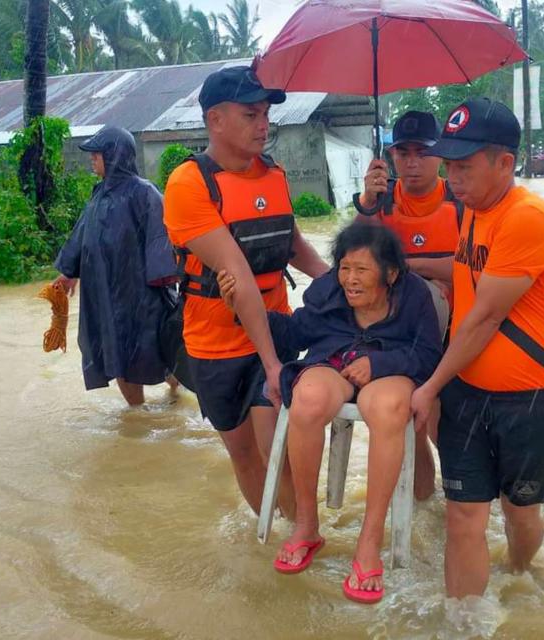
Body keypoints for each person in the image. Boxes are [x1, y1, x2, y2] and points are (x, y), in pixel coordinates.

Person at [218, 223, 441, 604]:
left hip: (392, 370)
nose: (350, 280)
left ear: (390, 273)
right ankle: (307, 525)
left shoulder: (416, 296)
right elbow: (293, 334)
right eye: (345, 268)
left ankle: (368, 544)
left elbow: (428, 354)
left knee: (387, 408)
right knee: (306, 398)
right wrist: (240, 304)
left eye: (362, 270)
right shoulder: (328, 292)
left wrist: (381, 362)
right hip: (333, 361)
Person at [410, 98, 544, 599]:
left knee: (518, 512)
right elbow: (463, 275)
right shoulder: (475, 213)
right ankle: (463, 626)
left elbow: (483, 318)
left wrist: (430, 386)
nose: (452, 176)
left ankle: (519, 575)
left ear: (505, 162)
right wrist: (398, 263)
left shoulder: (526, 217)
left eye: (464, 165)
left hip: (528, 402)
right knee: (463, 515)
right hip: (467, 392)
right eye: (450, 165)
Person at [162, 66, 329, 517]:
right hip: (214, 346)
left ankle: (301, 531)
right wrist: (273, 363)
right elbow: (234, 268)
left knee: (281, 446)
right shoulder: (188, 184)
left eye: (266, 115)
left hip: (274, 332)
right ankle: (269, 536)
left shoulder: (273, 175)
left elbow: (293, 246)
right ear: (215, 120)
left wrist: (344, 286)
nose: (264, 125)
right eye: (251, 114)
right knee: (244, 454)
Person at [356, 110, 462, 500]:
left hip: (456, 335)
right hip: (398, 336)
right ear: (392, 156)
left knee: (445, 430)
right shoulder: (380, 203)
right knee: (412, 431)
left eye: (423, 152)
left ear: (441, 155)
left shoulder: (462, 200)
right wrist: (367, 200)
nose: (413, 162)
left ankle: (460, 503)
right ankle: (423, 510)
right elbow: (355, 263)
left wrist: (408, 265)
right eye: (404, 153)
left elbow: (476, 264)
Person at [54, 126, 177, 406]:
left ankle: (175, 393)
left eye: (97, 153)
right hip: (106, 296)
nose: (92, 159)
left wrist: (164, 282)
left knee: (158, 350)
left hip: (141, 296)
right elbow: (83, 235)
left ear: (114, 155)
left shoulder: (144, 193)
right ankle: (136, 414)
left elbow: (162, 238)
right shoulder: (99, 195)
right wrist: (69, 272)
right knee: (118, 354)